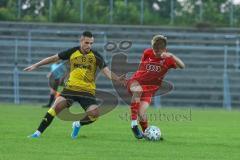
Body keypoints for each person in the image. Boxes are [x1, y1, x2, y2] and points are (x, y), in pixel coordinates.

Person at [24, 31, 125, 139]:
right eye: (87, 42)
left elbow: (107, 72)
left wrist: (117, 78)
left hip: (87, 91)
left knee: (94, 115)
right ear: (81, 41)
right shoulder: (72, 52)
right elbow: (53, 58)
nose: (89, 45)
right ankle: (37, 133)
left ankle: (77, 124)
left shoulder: (96, 56)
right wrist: (36, 65)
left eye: (91, 43)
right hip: (71, 89)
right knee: (55, 107)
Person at [126, 35, 185, 139]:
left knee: (142, 113)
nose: (154, 52)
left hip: (149, 90)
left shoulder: (168, 59)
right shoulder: (147, 52)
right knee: (138, 90)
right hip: (136, 82)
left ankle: (147, 134)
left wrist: (172, 55)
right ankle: (133, 124)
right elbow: (141, 66)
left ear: (164, 49)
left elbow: (182, 66)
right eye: (153, 49)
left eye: (157, 51)